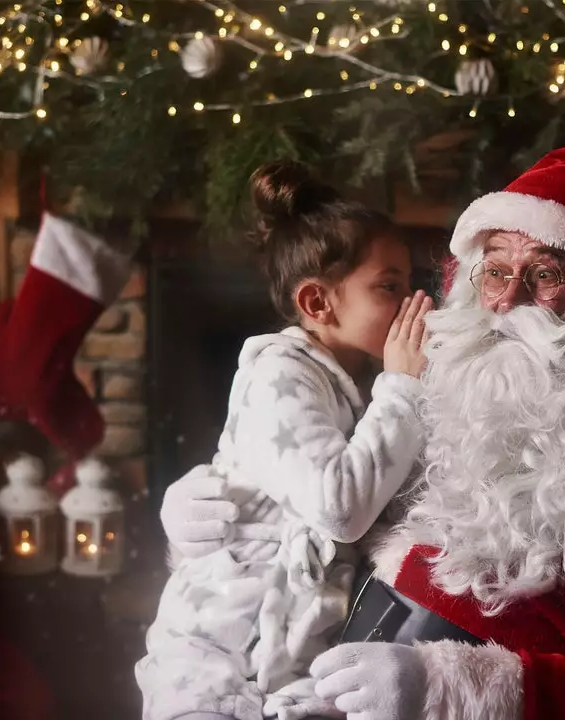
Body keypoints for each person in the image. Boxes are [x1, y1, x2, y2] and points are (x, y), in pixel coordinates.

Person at [161, 147, 565, 720]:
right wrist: (230, 505)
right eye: (494, 272)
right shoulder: (462, 384)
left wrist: (455, 690)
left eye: (545, 275)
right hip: (298, 672)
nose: (507, 302)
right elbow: (335, 492)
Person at [135, 162, 434, 720]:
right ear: (318, 304)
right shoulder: (279, 374)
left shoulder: (362, 387)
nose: (410, 303)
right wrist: (402, 389)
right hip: (219, 652)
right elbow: (339, 508)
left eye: (410, 281)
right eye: (388, 286)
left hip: (288, 669)